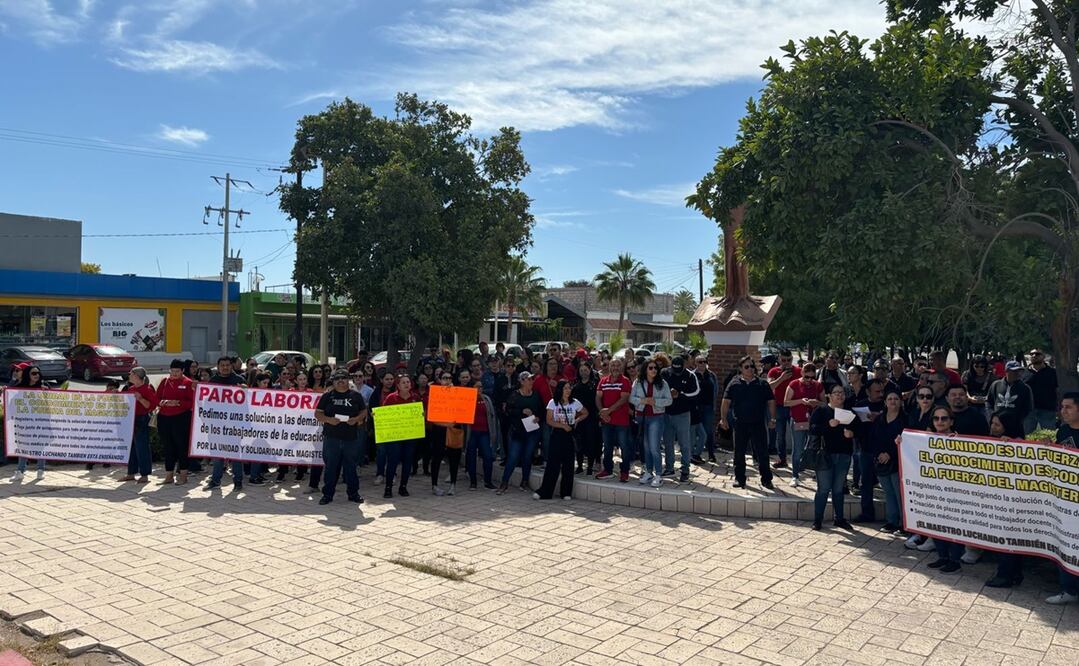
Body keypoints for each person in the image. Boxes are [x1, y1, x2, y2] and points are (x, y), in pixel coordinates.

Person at [984, 410, 1028, 589]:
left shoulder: (1018, 445)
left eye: (997, 424)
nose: (993, 428)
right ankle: (1014, 573)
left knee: (1007, 538)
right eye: (992, 423)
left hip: (1012, 503)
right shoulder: (993, 441)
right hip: (999, 499)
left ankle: (1005, 574)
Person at [720, 356, 776, 490]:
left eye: (752, 366)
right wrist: (723, 419)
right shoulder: (734, 383)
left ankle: (766, 479)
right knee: (739, 452)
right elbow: (725, 402)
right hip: (740, 423)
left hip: (758, 423)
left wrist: (772, 418)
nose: (750, 369)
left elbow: (771, 402)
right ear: (740, 369)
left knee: (762, 452)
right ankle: (740, 479)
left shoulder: (762, 384)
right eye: (746, 367)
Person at [314, 369, 367, 505]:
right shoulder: (327, 396)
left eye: (343, 378)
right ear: (333, 381)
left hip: (351, 437)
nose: (340, 381)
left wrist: (356, 419)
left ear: (348, 380)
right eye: (337, 379)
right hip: (332, 438)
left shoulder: (355, 396)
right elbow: (318, 414)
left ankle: (353, 494)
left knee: (351, 468)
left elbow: (364, 411)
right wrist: (328, 420)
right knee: (331, 467)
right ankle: (327, 495)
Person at [1045, 392, 1079, 604]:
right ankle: (1069, 590)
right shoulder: (1063, 430)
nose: (1063, 411)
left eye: (1068, 407)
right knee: (1065, 542)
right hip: (1065, 500)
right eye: (1062, 407)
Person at [924, 405, 966, 574]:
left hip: (954, 493)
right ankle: (943, 556)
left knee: (954, 525)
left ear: (951, 421)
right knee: (936, 523)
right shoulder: (924, 439)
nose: (939, 422)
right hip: (934, 490)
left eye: (944, 418)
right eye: (936, 418)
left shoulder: (960, 440)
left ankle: (955, 560)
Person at [810, 384, 855, 530]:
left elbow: (858, 429)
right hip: (825, 455)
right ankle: (817, 520)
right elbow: (812, 429)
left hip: (844, 455)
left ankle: (839, 519)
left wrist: (852, 434)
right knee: (823, 488)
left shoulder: (849, 411)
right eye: (836, 393)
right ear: (829, 395)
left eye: (842, 393)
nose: (840, 395)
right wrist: (828, 425)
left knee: (838, 489)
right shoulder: (822, 410)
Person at [534, 380, 588, 500]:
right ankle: (546, 492)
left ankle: (566, 492)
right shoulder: (553, 403)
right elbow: (549, 420)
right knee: (553, 464)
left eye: (569, 388)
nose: (568, 390)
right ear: (560, 390)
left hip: (569, 435)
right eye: (565, 388)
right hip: (557, 434)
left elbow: (585, 412)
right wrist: (563, 426)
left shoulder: (575, 402)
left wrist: (577, 420)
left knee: (568, 464)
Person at [863, 388, 905, 532]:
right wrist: (879, 454)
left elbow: (906, 441)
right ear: (885, 402)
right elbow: (872, 439)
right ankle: (891, 521)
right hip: (881, 462)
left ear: (900, 401)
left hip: (897, 462)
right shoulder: (879, 419)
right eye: (890, 399)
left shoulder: (905, 419)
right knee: (889, 493)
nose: (893, 401)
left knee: (899, 494)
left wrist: (890, 454)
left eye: (896, 399)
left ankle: (903, 523)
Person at [205, 357, 247, 491]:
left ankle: (238, 482)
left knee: (235, 455)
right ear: (218, 367)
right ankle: (216, 480)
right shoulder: (213, 382)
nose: (225, 367)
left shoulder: (239, 381)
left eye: (227, 365)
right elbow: (207, 403)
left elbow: (246, 404)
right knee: (218, 454)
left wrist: (247, 391)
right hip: (218, 424)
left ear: (232, 366)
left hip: (235, 424)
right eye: (222, 365)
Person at [498, 371, 544, 494]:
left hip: (532, 431)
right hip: (518, 431)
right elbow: (507, 411)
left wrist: (538, 417)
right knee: (513, 457)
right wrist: (521, 411)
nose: (531, 381)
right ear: (521, 381)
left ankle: (524, 482)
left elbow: (541, 410)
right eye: (528, 379)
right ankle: (504, 483)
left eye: (532, 379)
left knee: (527, 457)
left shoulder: (536, 395)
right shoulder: (514, 395)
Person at [629, 360, 673, 488]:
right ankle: (649, 472)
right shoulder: (637, 382)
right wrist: (642, 400)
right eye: (651, 368)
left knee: (654, 447)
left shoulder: (662, 383)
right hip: (642, 417)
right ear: (645, 369)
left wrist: (656, 402)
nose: (654, 370)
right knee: (646, 447)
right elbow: (632, 398)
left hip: (656, 417)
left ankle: (658, 474)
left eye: (655, 368)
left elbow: (669, 400)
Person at [379, 374, 423, 498]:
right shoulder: (391, 398)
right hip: (394, 436)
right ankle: (388, 488)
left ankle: (403, 486)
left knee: (408, 461)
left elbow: (420, 415)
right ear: (398, 385)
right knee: (392, 461)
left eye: (408, 382)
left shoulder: (415, 398)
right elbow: (384, 415)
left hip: (410, 436)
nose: (406, 384)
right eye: (403, 382)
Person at [661, 356, 701, 483]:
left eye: (678, 370)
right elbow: (657, 388)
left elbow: (696, 393)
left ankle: (685, 470)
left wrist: (680, 394)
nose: (676, 372)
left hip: (683, 414)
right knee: (668, 443)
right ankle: (669, 468)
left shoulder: (690, 376)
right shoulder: (664, 373)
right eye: (674, 369)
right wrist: (667, 394)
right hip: (666, 413)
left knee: (684, 443)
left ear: (683, 366)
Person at [783, 362, 822, 487]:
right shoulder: (794, 384)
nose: (809, 380)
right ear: (802, 373)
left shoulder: (818, 385)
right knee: (798, 449)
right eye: (807, 377)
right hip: (798, 420)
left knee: (812, 448)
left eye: (812, 377)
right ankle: (795, 475)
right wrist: (801, 401)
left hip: (814, 422)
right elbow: (786, 402)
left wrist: (816, 402)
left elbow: (825, 403)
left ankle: (815, 472)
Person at [156, 359, 194, 485]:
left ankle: (183, 475)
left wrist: (178, 403)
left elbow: (192, 402)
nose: (174, 373)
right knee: (168, 447)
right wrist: (163, 402)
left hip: (181, 418)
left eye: (177, 371)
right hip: (164, 417)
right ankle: (169, 475)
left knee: (181, 446)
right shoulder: (165, 381)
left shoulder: (188, 383)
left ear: (182, 371)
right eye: (172, 371)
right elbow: (156, 398)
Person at [595, 358, 633, 482]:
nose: (615, 367)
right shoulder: (603, 381)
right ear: (610, 367)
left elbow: (624, 399)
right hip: (607, 420)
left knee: (624, 446)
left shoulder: (625, 381)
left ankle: (625, 471)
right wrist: (602, 412)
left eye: (618, 365)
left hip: (621, 421)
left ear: (621, 367)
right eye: (613, 365)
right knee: (607, 446)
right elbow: (598, 397)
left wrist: (608, 411)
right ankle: (608, 470)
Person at [121, 367, 159, 484]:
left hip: (141, 419)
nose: (129, 376)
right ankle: (131, 473)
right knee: (131, 447)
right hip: (130, 420)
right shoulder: (131, 388)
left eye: (131, 374)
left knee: (142, 447)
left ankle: (145, 474)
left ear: (136, 376)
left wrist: (140, 398)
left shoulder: (147, 389)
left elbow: (151, 406)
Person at [10, 365, 48, 480]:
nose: (37, 375)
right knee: (23, 447)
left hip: (40, 422)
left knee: (40, 446)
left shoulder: (44, 388)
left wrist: (46, 393)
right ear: (28, 375)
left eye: (38, 373)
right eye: (33, 373)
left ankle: (41, 470)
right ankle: (20, 471)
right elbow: (12, 403)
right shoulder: (19, 388)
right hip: (24, 423)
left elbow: (51, 404)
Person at [464, 373, 500, 491]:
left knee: (488, 457)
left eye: (481, 387)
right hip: (472, 432)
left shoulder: (487, 399)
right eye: (477, 386)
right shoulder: (467, 400)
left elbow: (492, 417)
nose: (479, 389)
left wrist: (493, 433)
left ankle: (488, 481)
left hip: (485, 432)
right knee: (471, 457)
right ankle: (473, 482)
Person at [766, 349, 800, 469]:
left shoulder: (799, 371)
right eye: (784, 360)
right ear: (779, 359)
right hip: (779, 406)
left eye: (789, 360)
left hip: (794, 406)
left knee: (797, 434)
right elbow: (769, 387)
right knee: (780, 434)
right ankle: (782, 459)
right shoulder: (774, 371)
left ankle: (798, 460)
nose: (786, 362)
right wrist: (781, 378)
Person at [570, 363, 600, 476]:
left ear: (590, 370)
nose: (583, 372)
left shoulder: (595, 384)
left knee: (591, 441)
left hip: (592, 417)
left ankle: (590, 466)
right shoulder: (575, 385)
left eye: (585, 370)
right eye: (581, 370)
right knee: (579, 442)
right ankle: (580, 465)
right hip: (579, 417)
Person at [1023, 349, 1059, 433]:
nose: (1034, 356)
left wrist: (1059, 408)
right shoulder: (1024, 372)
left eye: (1037, 354)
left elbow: (1058, 390)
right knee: (1026, 437)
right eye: (1031, 354)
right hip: (1028, 411)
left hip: (1048, 410)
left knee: (1049, 437)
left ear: (1043, 356)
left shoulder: (1053, 372)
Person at [987, 361, 1033, 425]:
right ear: (1007, 371)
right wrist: (992, 416)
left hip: (1015, 425)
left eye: (1019, 371)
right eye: (1014, 371)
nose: (1018, 373)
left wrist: (1018, 420)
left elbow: (1028, 408)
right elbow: (988, 402)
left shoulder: (1025, 388)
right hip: (996, 423)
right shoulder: (996, 385)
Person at [694, 356, 719, 463]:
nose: (703, 363)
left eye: (705, 361)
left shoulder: (711, 375)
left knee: (709, 430)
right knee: (696, 431)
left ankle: (711, 453)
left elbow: (716, 390)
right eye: (700, 362)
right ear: (695, 363)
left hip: (708, 406)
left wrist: (714, 405)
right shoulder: (693, 375)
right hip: (696, 407)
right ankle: (694, 453)